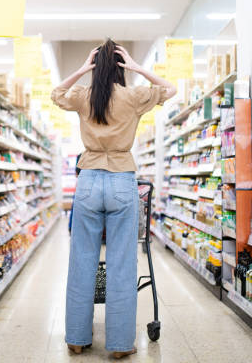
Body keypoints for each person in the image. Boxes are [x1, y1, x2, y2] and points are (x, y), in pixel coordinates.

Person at [51, 39, 176, 359]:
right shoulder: (134, 96)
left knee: (82, 262)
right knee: (122, 264)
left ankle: (76, 339)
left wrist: (81, 69)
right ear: (121, 68)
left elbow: (56, 94)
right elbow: (170, 88)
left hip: (89, 180)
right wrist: (136, 66)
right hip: (122, 180)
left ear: (96, 67)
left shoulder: (84, 96)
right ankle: (120, 344)